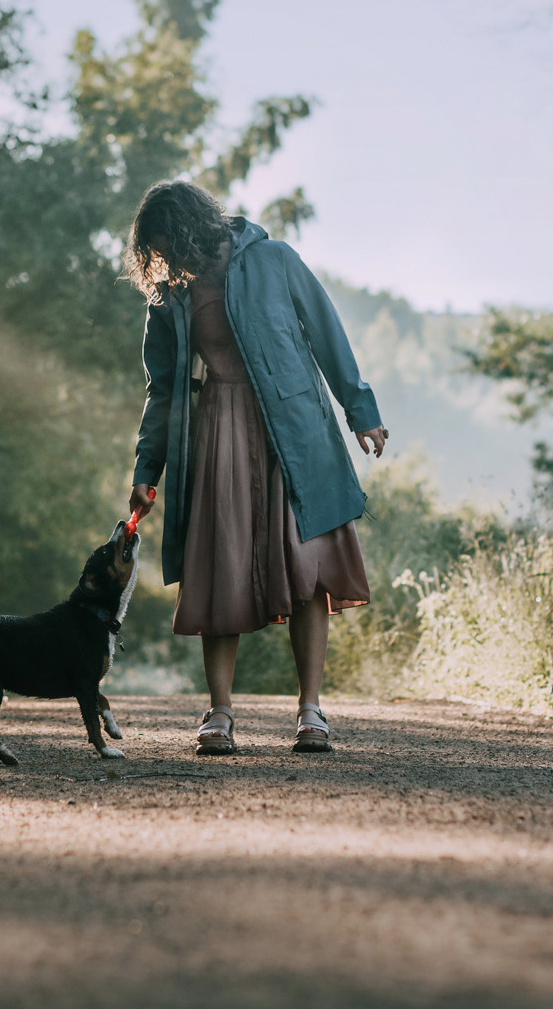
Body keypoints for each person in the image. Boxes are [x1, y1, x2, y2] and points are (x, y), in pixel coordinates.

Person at [123, 181, 388, 754]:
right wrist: (148, 468)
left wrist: (360, 411)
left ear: (191, 228)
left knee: (307, 565)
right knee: (217, 565)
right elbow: (163, 390)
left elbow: (326, 334)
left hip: (295, 428)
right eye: (158, 252)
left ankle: (311, 711)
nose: (165, 259)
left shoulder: (274, 259)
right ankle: (219, 713)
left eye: (168, 245)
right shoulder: (170, 295)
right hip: (217, 428)